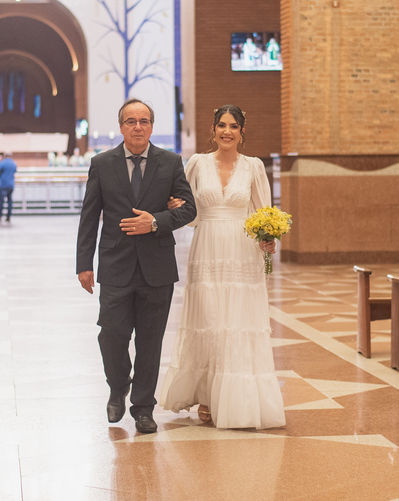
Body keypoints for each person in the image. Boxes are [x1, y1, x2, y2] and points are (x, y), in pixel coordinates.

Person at [158, 104, 285, 430]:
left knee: (237, 321)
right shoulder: (198, 164)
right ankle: (207, 395)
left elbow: (262, 213)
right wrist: (176, 206)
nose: (227, 131)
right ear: (213, 130)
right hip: (208, 246)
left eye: (233, 126)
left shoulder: (254, 167)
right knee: (210, 320)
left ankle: (238, 398)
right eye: (221, 125)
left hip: (243, 251)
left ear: (242, 132)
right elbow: (190, 212)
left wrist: (268, 243)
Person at [76, 98, 197, 434]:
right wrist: (83, 263)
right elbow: (90, 216)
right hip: (115, 264)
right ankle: (118, 384)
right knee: (111, 334)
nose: (138, 127)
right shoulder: (102, 163)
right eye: (131, 121)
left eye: (144, 121)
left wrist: (155, 221)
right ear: (121, 126)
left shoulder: (170, 162)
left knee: (150, 341)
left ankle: (143, 408)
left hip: (156, 267)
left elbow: (189, 210)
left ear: (152, 126)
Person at [0, 151, 17, 221]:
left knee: (1, 201)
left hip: (3, 184)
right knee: (9, 201)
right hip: (11, 185)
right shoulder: (14, 163)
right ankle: (8, 216)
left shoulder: (2, 163)